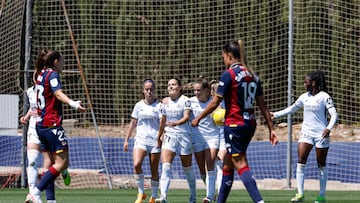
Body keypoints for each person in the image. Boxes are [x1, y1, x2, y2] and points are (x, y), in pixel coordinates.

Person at [191, 39, 278, 203]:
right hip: (250, 124)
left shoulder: (229, 75)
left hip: (234, 124)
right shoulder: (253, 75)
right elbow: (262, 105)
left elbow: (215, 102)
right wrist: (271, 128)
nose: (223, 59)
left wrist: (198, 118)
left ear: (229, 56)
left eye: (224, 56)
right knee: (227, 164)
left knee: (240, 163)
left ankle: (259, 201)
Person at [25, 49, 86, 203]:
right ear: (56, 62)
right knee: (62, 163)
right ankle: (35, 192)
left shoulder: (40, 75)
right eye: (63, 60)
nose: (64, 63)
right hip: (52, 125)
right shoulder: (52, 75)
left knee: (50, 164)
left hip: (41, 124)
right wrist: (73, 103)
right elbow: (58, 93)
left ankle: (51, 200)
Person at [271, 70, 338, 203]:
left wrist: (328, 128)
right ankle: (300, 194)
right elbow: (291, 109)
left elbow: (334, 114)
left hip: (321, 135)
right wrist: (276, 114)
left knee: (321, 164)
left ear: (313, 83)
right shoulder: (304, 97)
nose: (304, 84)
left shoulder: (324, 97)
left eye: (305, 81)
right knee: (301, 160)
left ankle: (321, 196)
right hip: (306, 133)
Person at [21, 71, 71, 203]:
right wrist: (26, 117)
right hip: (35, 128)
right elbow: (32, 108)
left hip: (47, 126)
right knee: (33, 160)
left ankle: (62, 171)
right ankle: (33, 193)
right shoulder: (29, 92)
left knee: (53, 164)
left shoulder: (50, 90)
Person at [155, 78, 196, 203]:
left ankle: (193, 196)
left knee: (187, 169)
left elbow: (187, 117)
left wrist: (176, 123)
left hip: (184, 136)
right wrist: (159, 135)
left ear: (179, 87)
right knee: (166, 167)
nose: (171, 87)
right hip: (170, 136)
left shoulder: (186, 100)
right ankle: (163, 197)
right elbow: (163, 120)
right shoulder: (164, 103)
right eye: (169, 85)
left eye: (173, 84)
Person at [123, 79, 162, 203]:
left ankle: (154, 196)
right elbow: (133, 122)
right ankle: (141, 193)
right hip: (141, 140)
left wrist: (161, 136)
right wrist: (126, 139)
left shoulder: (159, 105)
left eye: (151, 89)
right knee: (136, 164)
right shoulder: (139, 105)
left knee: (154, 170)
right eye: (147, 89)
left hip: (155, 141)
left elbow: (162, 123)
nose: (149, 91)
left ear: (154, 90)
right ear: (143, 91)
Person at [190, 78, 220, 203]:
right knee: (202, 170)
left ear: (207, 91)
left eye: (199, 90)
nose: (196, 93)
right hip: (197, 138)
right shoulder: (189, 102)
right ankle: (210, 190)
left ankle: (209, 195)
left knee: (210, 165)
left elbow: (221, 114)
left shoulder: (214, 102)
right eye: (195, 90)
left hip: (212, 137)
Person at [209, 81, 227, 196]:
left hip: (224, 136)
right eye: (215, 90)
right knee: (210, 165)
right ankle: (210, 191)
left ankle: (220, 194)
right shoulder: (207, 104)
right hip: (211, 137)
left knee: (220, 163)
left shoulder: (227, 103)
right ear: (212, 92)